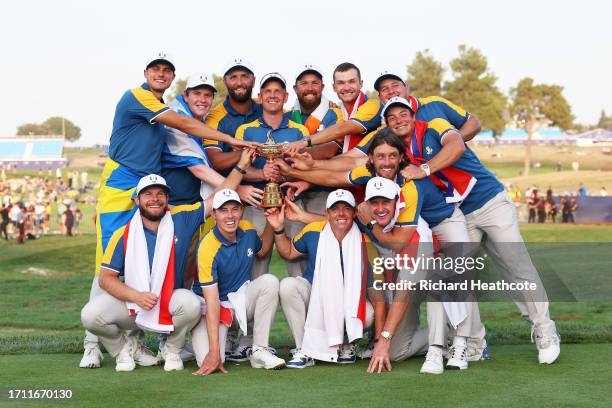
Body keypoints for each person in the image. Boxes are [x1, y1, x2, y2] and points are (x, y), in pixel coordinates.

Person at [81, 52, 256, 369]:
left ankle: (139, 341)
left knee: (151, 263)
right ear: (146, 72)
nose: (161, 74)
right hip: (122, 185)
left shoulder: (158, 106)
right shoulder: (139, 97)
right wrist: (232, 142)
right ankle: (91, 344)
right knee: (107, 263)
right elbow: (186, 125)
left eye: (167, 71)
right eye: (156, 69)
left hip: (146, 190)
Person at [385, 97, 560, 364]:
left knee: (516, 264)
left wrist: (425, 168)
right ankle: (474, 342)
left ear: (412, 110)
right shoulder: (399, 150)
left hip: (489, 200)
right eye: (391, 116)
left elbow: (456, 144)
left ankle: (545, 330)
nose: (398, 119)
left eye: (402, 113)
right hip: (459, 214)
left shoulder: (433, 123)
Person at [81, 175, 202, 372]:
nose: (155, 198)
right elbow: (105, 279)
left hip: (167, 303)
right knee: (90, 315)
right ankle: (124, 350)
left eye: (160, 194)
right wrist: (136, 296)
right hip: (133, 307)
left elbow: (215, 200)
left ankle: (171, 349)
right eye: (148, 194)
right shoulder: (123, 233)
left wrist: (240, 167)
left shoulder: (182, 219)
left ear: (167, 199)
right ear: (137, 200)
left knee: (191, 303)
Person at [265, 189, 377, 368]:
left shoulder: (363, 239)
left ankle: (347, 343)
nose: (341, 213)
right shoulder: (314, 230)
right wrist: (278, 229)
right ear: (327, 213)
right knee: (288, 285)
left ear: (354, 213)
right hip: (316, 294)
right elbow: (288, 252)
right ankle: (305, 349)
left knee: (369, 314)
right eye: (335, 209)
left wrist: (380, 340)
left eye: (346, 208)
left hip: (350, 300)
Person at [191, 189, 282, 374]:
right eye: (223, 210)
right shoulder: (207, 247)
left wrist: (272, 224)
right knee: (206, 360)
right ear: (214, 214)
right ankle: (215, 345)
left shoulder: (247, 229)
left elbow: (262, 250)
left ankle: (260, 350)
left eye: (234, 209)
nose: (230, 215)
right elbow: (212, 302)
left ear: (241, 210)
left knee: (269, 282)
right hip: (213, 308)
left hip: (238, 303)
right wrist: (214, 353)